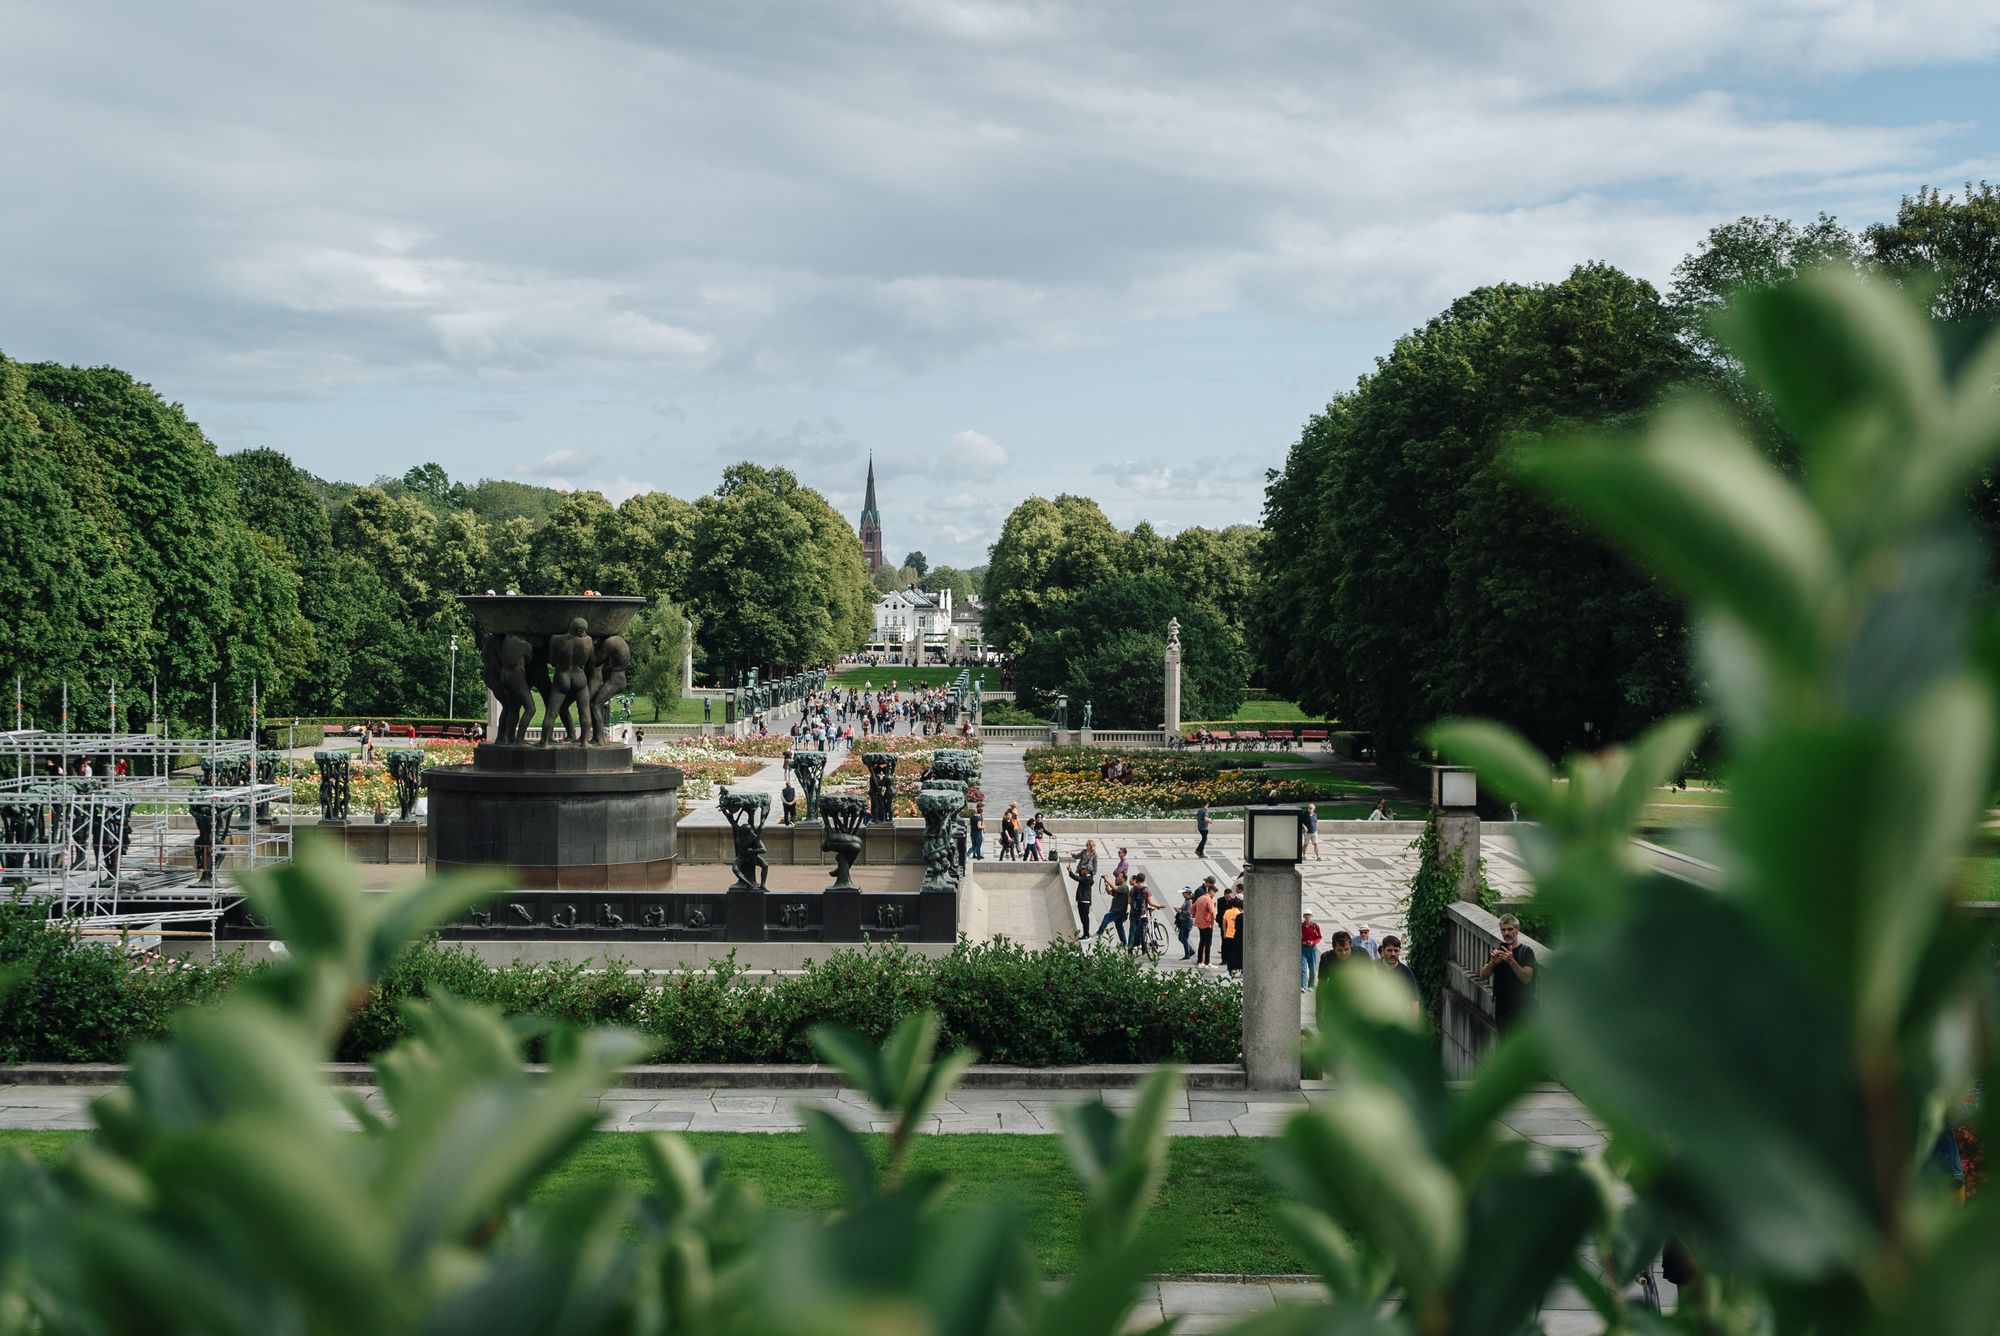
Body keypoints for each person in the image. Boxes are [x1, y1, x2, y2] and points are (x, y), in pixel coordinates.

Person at [1480, 913, 1537, 1030]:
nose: (1506, 933)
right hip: (1502, 1011)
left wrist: (1511, 961)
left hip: (1522, 1010)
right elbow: (1483, 975)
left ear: (1517, 930)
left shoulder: (1526, 952)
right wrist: (1492, 963)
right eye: (1503, 930)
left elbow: (1526, 978)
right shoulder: (1498, 951)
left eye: (1510, 929)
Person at [1379, 935, 1421, 1014]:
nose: (1393, 954)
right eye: (1389, 950)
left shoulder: (1406, 973)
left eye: (1396, 950)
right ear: (1383, 950)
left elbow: (1414, 1002)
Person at [1127, 874, 1164, 956]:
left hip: (1133, 913)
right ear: (1144, 879)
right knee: (1143, 931)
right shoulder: (1147, 890)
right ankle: (1144, 949)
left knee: (1132, 931)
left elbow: (1129, 902)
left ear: (1137, 879)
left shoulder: (1132, 890)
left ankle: (1129, 950)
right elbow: (1150, 903)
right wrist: (1160, 906)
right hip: (1143, 914)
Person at [1071, 840, 1099, 933]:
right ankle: (1085, 933)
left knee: (1084, 917)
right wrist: (1072, 854)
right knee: (1083, 917)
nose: (1086, 846)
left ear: (1091, 846)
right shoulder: (1084, 852)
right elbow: (1077, 856)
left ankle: (1086, 933)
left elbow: (1095, 867)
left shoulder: (1094, 854)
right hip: (1084, 875)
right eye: (1086, 844)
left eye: (1087, 845)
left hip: (1087, 875)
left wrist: (1090, 874)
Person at [1095, 871, 1130, 945]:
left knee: (1107, 916)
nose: (1117, 878)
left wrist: (1107, 879)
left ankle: (1100, 931)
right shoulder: (1120, 888)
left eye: (1119, 877)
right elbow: (1110, 892)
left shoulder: (1124, 887)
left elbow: (1115, 888)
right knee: (1119, 926)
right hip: (1117, 909)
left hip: (1119, 909)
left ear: (1124, 879)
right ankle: (1124, 942)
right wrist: (1106, 884)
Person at [1219, 887, 1245, 974]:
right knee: (1238, 953)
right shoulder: (1239, 914)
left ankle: (1229, 968)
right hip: (1237, 937)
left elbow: (1224, 922)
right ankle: (1239, 968)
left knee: (1229, 952)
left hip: (1228, 935)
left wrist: (1224, 932)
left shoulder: (1227, 912)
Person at [1192, 878, 1217, 966]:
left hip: (1199, 923)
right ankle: (1207, 962)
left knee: (1202, 941)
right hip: (1207, 923)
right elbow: (1212, 912)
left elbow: (1193, 907)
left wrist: (1195, 915)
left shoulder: (1200, 898)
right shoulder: (1208, 900)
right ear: (1211, 892)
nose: (1214, 895)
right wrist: (1213, 921)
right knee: (1208, 943)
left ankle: (1200, 961)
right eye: (1214, 893)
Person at [1300, 912, 1323, 991]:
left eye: (1309, 915)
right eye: (1305, 915)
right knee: (1303, 968)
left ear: (1311, 916)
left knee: (1312, 968)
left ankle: (1311, 985)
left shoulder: (1315, 926)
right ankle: (1303, 986)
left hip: (1312, 949)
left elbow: (1319, 937)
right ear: (1303, 916)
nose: (1307, 917)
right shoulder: (1301, 926)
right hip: (1303, 948)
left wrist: (1313, 942)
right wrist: (1302, 942)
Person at [1174, 889, 1196, 960]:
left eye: (1184, 893)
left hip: (1187, 922)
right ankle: (1191, 950)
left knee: (1184, 938)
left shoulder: (1189, 901)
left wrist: (1180, 911)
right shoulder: (1186, 900)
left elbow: (1189, 912)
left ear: (1188, 893)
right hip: (1183, 921)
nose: (1183, 894)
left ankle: (1187, 954)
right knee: (1181, 937)